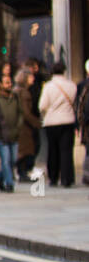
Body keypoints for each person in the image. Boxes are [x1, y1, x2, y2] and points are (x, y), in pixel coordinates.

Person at [38, 60, 77, 188]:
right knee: (66, 151)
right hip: (68, 120)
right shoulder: (71, 85)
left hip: (52, 122)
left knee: (53, 150)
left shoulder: (49, 86)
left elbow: (42, 105)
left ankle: (53, 177)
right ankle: (67, 178)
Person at [0, 64, 20, 192]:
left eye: (10, 82)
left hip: (14, 133)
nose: (9, 85)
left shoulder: (15, 97)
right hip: (1, 134)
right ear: (0, 84)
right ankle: (9, 184)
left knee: (13, 160)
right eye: (6, 83)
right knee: (6, 160)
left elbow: (20, 113)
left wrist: (18, 126)